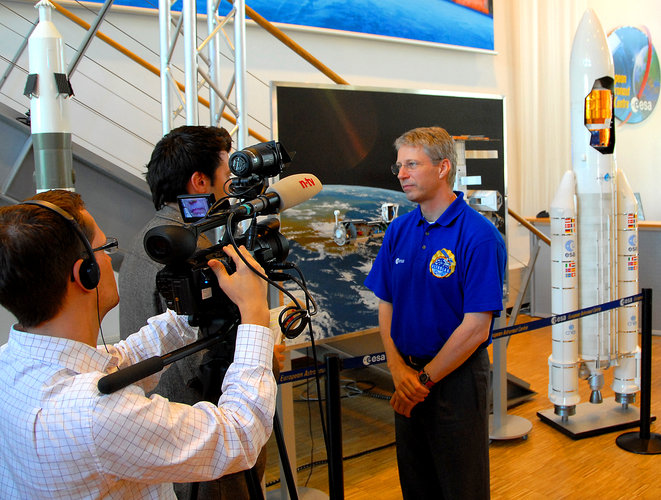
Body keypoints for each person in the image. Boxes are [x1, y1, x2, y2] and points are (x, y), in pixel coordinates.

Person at [0, 190, 276, 498]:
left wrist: (192, 306)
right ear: (84, 274)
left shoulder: (11, 364)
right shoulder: (95, 415)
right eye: (104, 249)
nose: (108, 257)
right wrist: (254, 313)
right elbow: (240, 433)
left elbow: (123, 357)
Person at [119, 125, 284, 499]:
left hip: (171, 435)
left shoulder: (155, 234)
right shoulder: (190, 247)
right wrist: (259, 344)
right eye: (228, 174)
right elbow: (203, 349)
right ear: (200, 181)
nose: (234, 184)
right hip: (204, 438)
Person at [364, 126, 506, 500]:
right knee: (416, 483)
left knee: (461, 487)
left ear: (443, 168)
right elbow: (386, 302)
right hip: (406, 377)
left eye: (412, 164)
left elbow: (476, 327)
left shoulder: (478, 236)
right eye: (399, 165)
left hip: (455, 383)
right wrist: (397, 370)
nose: (401, 174)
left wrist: (422, 381)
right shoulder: (399, 229)